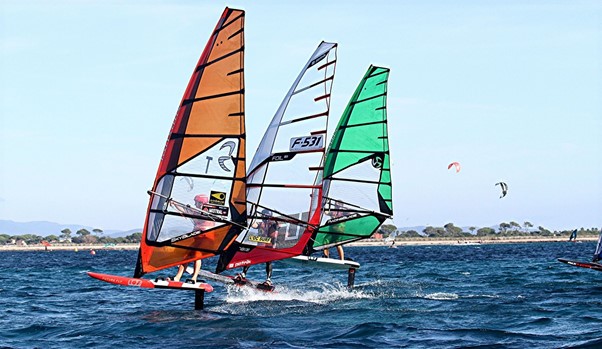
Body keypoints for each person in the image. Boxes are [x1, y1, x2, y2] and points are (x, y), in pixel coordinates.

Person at [170, 194, 214, 283]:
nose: (194, 204)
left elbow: (206, 217)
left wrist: (201, 209)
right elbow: (184, 210)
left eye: (196, 202)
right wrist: (174, 203)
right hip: (196, 235)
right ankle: (177, 278)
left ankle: (194, 278)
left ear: (201, 203)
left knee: (197, 256)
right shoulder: (195, 211)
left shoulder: (209, 211)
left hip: (206, 236)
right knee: (186, 256)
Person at [235, 209, 279, 286]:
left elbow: (278, 225)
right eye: (262, 215)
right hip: (260, 246)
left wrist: (275, 218)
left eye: (264, 216)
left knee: (268, 262)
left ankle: (268, 280)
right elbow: (253, 225)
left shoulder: (273, 224)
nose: (262, 217)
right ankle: (243, 274)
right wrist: (249, 217)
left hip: (269, 247)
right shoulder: (261, 224)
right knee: (250, 257)